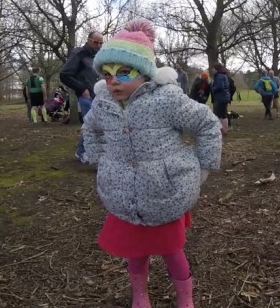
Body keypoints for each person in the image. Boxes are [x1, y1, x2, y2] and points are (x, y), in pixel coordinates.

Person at [83, 18, 222, 308]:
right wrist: (100, 160)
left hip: (164, 192)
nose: (113, 81)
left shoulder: (166, 99)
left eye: (123, 72)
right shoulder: (102, 104)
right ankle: (140, 295)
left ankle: (185, 297)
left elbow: (207, 124)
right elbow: (90, 129)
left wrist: (204, 166)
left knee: (172, 250)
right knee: (136, 251)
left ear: (144, 72)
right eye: (107, 74)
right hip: (123, 194)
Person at [60, 32, 102, 163]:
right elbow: (64, 74)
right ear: (88, 40)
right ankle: (82, 152)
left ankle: (83, 150)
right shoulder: (79, 54)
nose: (98, 45)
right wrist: (82, 89)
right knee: (91, 125)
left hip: (98, 95)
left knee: (96, 124)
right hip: (86, 96)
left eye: (101, 43)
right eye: (96, 42)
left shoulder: (98, 56)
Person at [211, 63, 231, 135]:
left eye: (213, 68)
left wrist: (213, 88)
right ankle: (225, 130)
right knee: (223, 114)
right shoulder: (224, 75)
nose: (212, 70)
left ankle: (221, 130)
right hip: (225, 97)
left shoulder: (219, 76)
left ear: (217, 69)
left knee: (218, 114)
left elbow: (220, 86)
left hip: (220, 97)